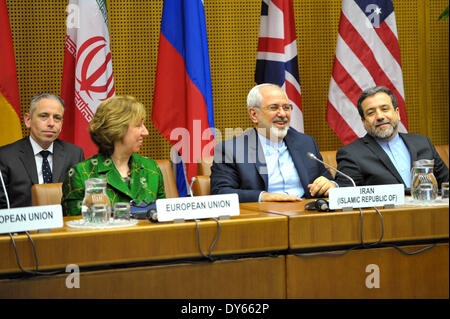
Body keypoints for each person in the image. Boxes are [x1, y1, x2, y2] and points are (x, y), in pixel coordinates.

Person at [210, 83, 337, 203]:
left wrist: (331, 184)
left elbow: (328, 180)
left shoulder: (306, 143)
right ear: (254, 114)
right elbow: (220, 192)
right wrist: (264, 196)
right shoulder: (231, 150)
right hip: (263, 218)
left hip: (307, 215)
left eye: (286, 107)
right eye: (274, 108)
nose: (282, 114)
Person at [61, 95, 166, 216]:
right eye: (138, 125)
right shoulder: (81, 174)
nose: (146, 132)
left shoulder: (151, 168)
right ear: (117, 129)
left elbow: (164, 220)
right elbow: (74, 229)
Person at [336, 86, 449, 189]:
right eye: (371, 113)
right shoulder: (351, 155)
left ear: (397, 113)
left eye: (385, 109)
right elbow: (345, 195)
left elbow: (446, 182)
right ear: (363, 122)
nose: (380, 116)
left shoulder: (423, 143)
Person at [0, 93, 84, 208]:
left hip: (63, 224)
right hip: (23, 224)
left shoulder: (74, 154)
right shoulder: (6, 156)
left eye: (57, 118)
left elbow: (80, 200)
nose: (51, 123)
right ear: (28, 120)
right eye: (44, 116)